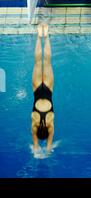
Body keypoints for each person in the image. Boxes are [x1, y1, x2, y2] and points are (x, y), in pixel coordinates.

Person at [32, 23, 54, 152]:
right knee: (37, 63)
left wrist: (47, 150)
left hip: (48, 90)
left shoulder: (50, 125)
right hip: (37, 91)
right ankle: (39, 36)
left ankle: (47, 35)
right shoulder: (34, 124)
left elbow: (49, 146)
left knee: (47, 62)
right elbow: (35, 145)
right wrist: (37, 151)